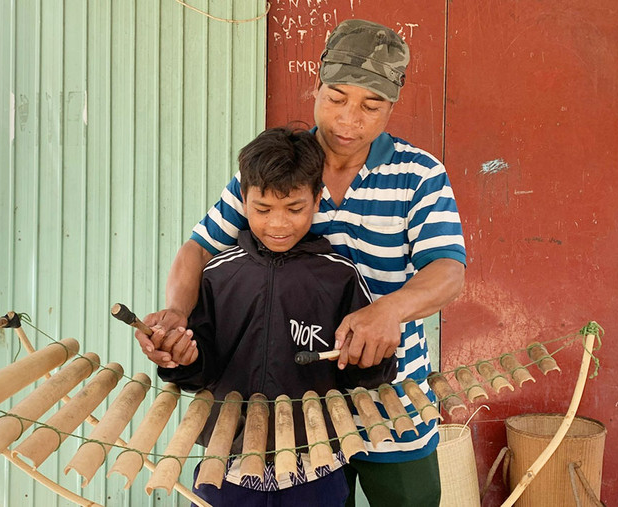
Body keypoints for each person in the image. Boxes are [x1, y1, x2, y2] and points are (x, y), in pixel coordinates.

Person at [139, 19, 466, 507]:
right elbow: (199, 248)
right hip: (292, 405)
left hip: (390, 396)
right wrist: (178, 316)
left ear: (392, 106)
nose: (349, 120)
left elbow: (448, 272)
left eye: (370, 106)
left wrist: (388, 311)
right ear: (314, 86)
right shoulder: (280, 166)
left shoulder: (418, 174)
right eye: (336, 98)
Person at [158, 125, 396, 505]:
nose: (278, 223)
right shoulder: (218, 275)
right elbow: (197, 370)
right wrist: (180, 359)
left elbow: (362, 373)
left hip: (317, 465)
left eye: (295, 208)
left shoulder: (339, 276)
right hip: (228, 464)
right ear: (243, 201)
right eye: (263, 209)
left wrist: (370, 357)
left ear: (317, 200)